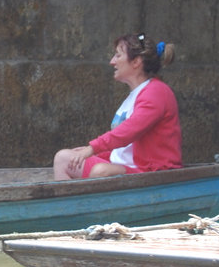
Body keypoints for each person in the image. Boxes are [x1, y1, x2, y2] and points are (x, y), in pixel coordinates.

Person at [53, 34, 181, 181]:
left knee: (101, 171)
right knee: (63, 159)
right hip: (123, 167)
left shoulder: (157, 92)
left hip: (151, 171)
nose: (112, 62)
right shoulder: (133, 96)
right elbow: (123, 151)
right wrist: (96, 153)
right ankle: (68, 197)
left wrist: (92, 148)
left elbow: (129, 131)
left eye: (118, 55)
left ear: (136, 62)